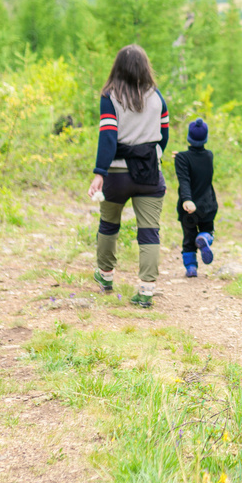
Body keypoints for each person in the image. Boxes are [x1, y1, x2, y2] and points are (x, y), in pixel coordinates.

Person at [87, 45, 169, 308]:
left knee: (109, 224)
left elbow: (108, 136)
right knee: (149, 231)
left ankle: (106, 276)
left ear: (117, 67)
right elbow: (163, 134)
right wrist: (153, 155)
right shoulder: (156, 97)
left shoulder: (110, 96)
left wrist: (100, 173)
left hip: (117, 175)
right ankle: (146, 290)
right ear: (145, 66)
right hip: (149, 173)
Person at [173, 117, 217, 277]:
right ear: (205, 138)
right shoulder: (209, 156)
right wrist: (181, 157)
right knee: (208, 230)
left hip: (188, 208)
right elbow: (197, 161)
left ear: (188, 137)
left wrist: (187, 199)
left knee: (188, 238)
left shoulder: (182, 158)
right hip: (208, 205)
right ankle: (204, 237)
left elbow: (184, 180)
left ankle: (191, 268)